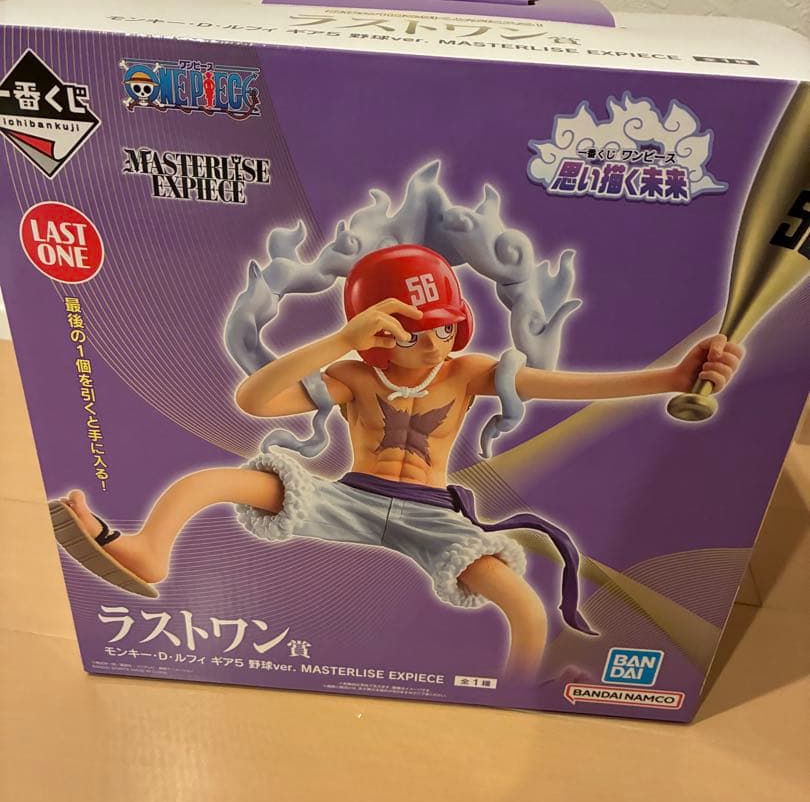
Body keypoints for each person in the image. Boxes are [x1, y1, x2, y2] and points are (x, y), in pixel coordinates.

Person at [50, 245, 743, 679]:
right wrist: (340, 339)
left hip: (433, 517)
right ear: (376, 336)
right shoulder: (355, 374)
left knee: (526, 608)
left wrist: (669, 378)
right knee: (208, 480)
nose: (433, 344)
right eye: (411, 334)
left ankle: (516, 695)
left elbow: (570, 387)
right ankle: (147, 551)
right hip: (347, 497)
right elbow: (254, 401)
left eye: (443, 327)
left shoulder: (468, 371)